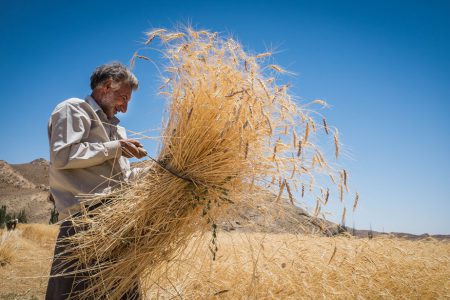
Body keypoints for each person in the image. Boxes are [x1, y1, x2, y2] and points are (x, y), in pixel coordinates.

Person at [46, 62, 146, 299]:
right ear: (107, 86)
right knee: (77, 293)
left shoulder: (117, 131)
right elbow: (63, 155)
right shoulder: (74, 109)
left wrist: (157, 171)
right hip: (84, 223)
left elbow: (124, 179)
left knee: (123, 292)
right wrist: (116, 147)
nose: (124, 107)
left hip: (116, 222)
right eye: (123, 97)